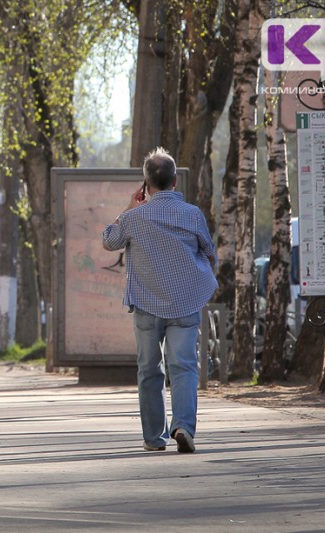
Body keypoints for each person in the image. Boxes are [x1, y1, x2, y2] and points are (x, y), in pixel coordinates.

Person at [102, 147, 217, 454]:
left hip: (147, 305)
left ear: (146, 184)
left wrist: (128, 207)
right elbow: (209, 252)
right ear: (174, 181)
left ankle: (154, 437)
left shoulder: (135, 218)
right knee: (184, 367)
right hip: (185, 304)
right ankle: (183, 427)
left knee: (149, 370)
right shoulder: (193, 214)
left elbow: (109, 241)